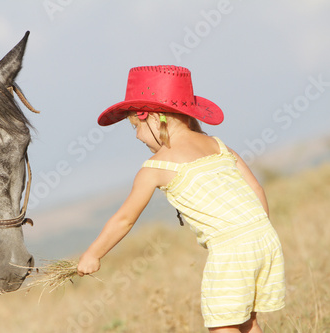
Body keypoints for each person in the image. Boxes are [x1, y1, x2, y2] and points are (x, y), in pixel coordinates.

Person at [77, 65, 285, 332]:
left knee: (223, 326)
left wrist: (93, 254)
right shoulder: (218, 145)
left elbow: (124, 220)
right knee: (247, 323)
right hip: (263, 237)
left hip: (231, 250)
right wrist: (253, 234)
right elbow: (256, 189)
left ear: (152, 117)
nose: (138, 136)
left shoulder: (155, 168)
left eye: (135, 127)